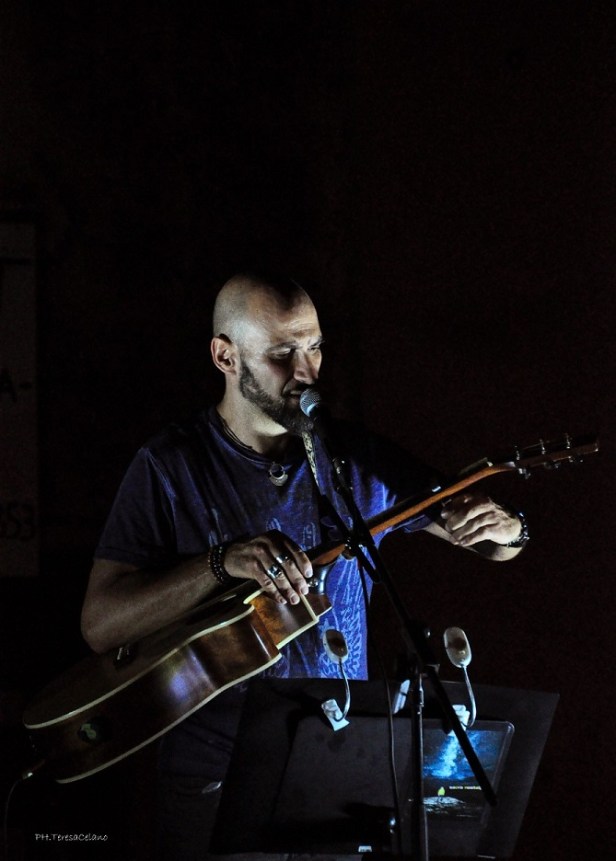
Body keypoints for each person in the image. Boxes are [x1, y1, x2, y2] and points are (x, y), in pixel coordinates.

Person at [80, 272, 527, 860]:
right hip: (216, 771)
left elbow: (489, 545)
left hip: (336, 758)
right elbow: (102, 624)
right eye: (281, 355)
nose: (306, 372)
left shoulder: (353, 458)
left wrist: (509, 529)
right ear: (225, 356)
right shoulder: (170, 464)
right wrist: (221, 563)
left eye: (314, 347)